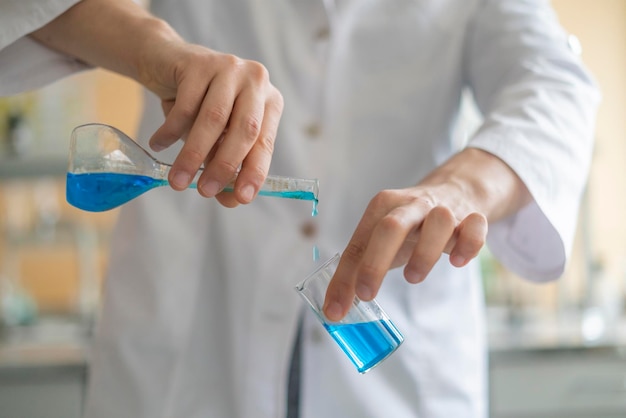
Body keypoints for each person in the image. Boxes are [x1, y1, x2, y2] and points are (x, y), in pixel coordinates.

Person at [0, 0, 599, 417]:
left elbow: (554, 85)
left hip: (397, 377)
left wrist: (460, 190)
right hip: (188, 350)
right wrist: (156, 47)